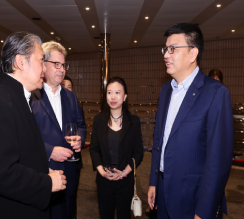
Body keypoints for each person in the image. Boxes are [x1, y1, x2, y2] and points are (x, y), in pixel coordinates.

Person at [0, 32, 67, 219]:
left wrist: (42, 169)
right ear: (20, 62)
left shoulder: (15, 97)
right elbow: (2, 174)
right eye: (41, 60)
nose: (44, 68)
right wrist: (46, 182)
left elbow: (19, 152)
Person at [147, 23, 234, 219]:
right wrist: (154, 182)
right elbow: (159, 141)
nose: (166, 55)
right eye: (165, 49)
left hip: (193, 200)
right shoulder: (166, 90)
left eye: (172, 49)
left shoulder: (216, 93)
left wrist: (204, 211)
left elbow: (218, 162)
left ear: (193, 53)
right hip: (163, 191)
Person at [31, 41, 86, 219]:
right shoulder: (32, 96)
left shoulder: (71, 97)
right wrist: (49, 151)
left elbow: (81, 125)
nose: (61, 69)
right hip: (44, 172)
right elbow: (25, 135)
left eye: (63, 65)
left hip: (70, 171)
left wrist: (79, 138)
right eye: (56, 64)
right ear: (44, 65)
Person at [89, 77, 144, 219]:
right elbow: (94, 149)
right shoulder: (98, 120)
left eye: (117, 93)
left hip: (125, 181)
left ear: (125, 97)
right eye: (109, 92)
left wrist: (125, 172)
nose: (113, 97)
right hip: (104, 181)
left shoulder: (133, 122)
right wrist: (102, 172)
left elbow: (138, 152)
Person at [61, 75, 84, 219]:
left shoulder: (74, 103)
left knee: (71, 200)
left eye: (69, 87)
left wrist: (80, 138)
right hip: (55, 161)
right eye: (64, 86)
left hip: (73, 160)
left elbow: (81, 126)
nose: (66, 89)